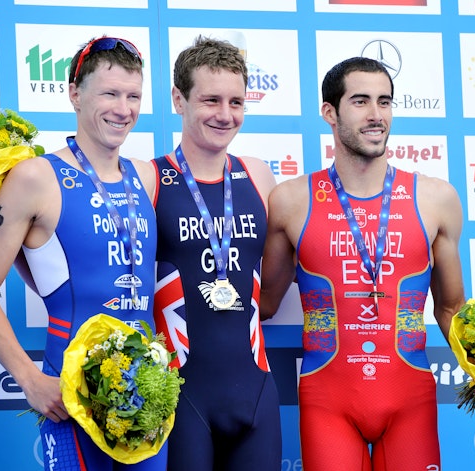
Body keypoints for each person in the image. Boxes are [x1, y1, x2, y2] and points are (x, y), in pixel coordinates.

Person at [0, 36, 165, 470]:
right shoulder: (35, 177)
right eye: (109, 94)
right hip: (68, 394)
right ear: (75, 93)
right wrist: (29, 379)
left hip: (146, 397)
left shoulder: (146, 176)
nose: (123, 109)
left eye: (133, 96)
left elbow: (59, 268)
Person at [259, 57, 466, 471]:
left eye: (384, 102)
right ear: (329, 112)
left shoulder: (436, 198)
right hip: (328, 401)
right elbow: (263, 303)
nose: (376, 115)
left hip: (409, 398)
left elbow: (451, 307)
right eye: (361, 101)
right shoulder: (291, 201)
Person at [150, 36, 282, 471]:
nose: (225, 115)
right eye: (211, 100)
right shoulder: (149, 178)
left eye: (236, 102)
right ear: (178, 99)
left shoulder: (258, 175)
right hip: (181, 396)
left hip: (256, 393)